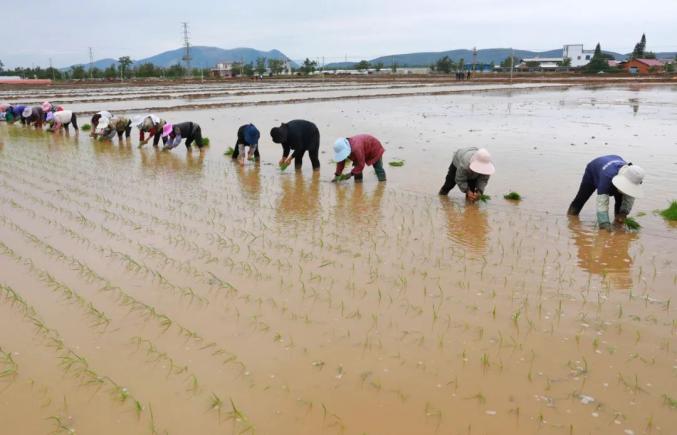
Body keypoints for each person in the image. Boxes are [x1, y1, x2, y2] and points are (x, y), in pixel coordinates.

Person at [567, 155, 645, 230]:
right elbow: (602, 202)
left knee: (620, 206)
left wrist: (624, 213)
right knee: (581, 198)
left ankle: (618, 227)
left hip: (614, 163)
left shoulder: (634, 176)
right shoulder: (607, 176)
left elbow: (630, 196)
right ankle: (570, 219)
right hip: (594, 169)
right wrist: (604, 223)